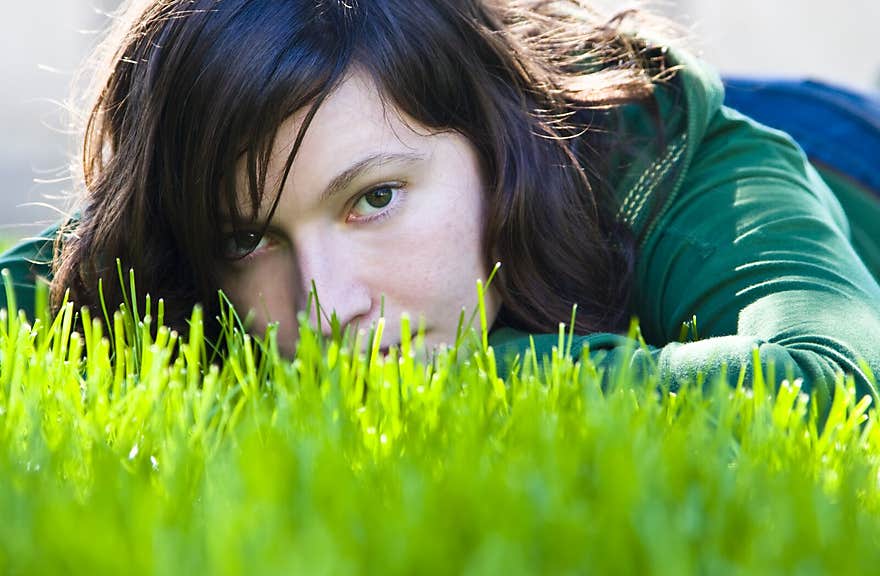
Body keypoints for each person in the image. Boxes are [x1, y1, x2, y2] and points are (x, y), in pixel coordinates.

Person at [1, 0, 879, 421]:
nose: (328, 304)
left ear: (495, 151)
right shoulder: (184, 243)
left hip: (838, 146)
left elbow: (834, 382)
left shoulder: (679, 163)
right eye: (250, 237)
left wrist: (475, 374)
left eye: (374, 199)